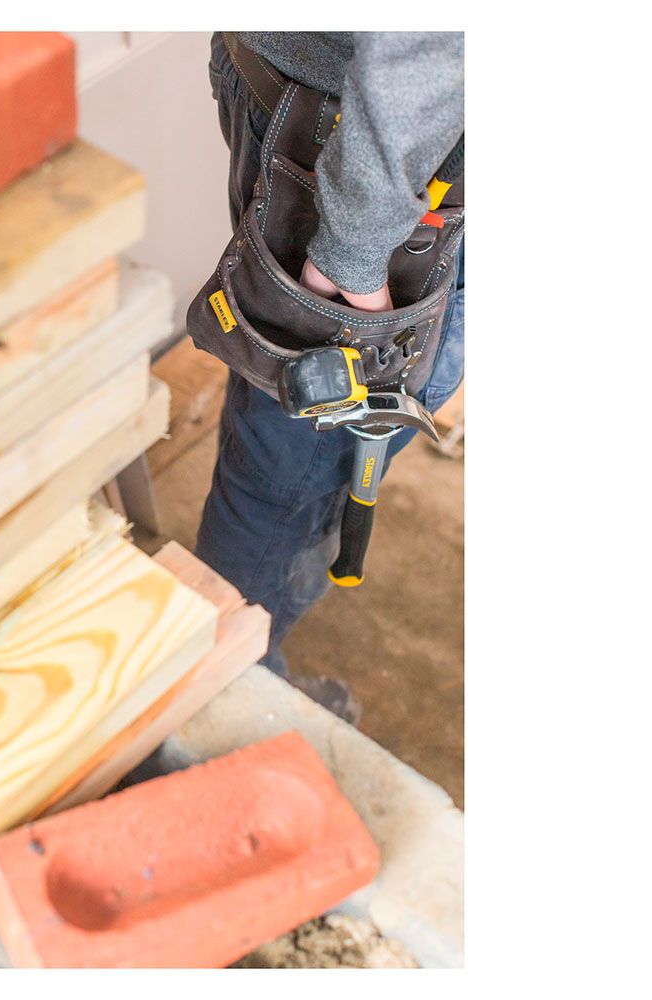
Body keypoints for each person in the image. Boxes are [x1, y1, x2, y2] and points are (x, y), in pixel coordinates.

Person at [193, 32, 465, 722]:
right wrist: (354, 248)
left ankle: (236, 671)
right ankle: (227, 697)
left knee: (321, 442)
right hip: (357, 152)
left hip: (397, 144)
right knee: (292, 465)